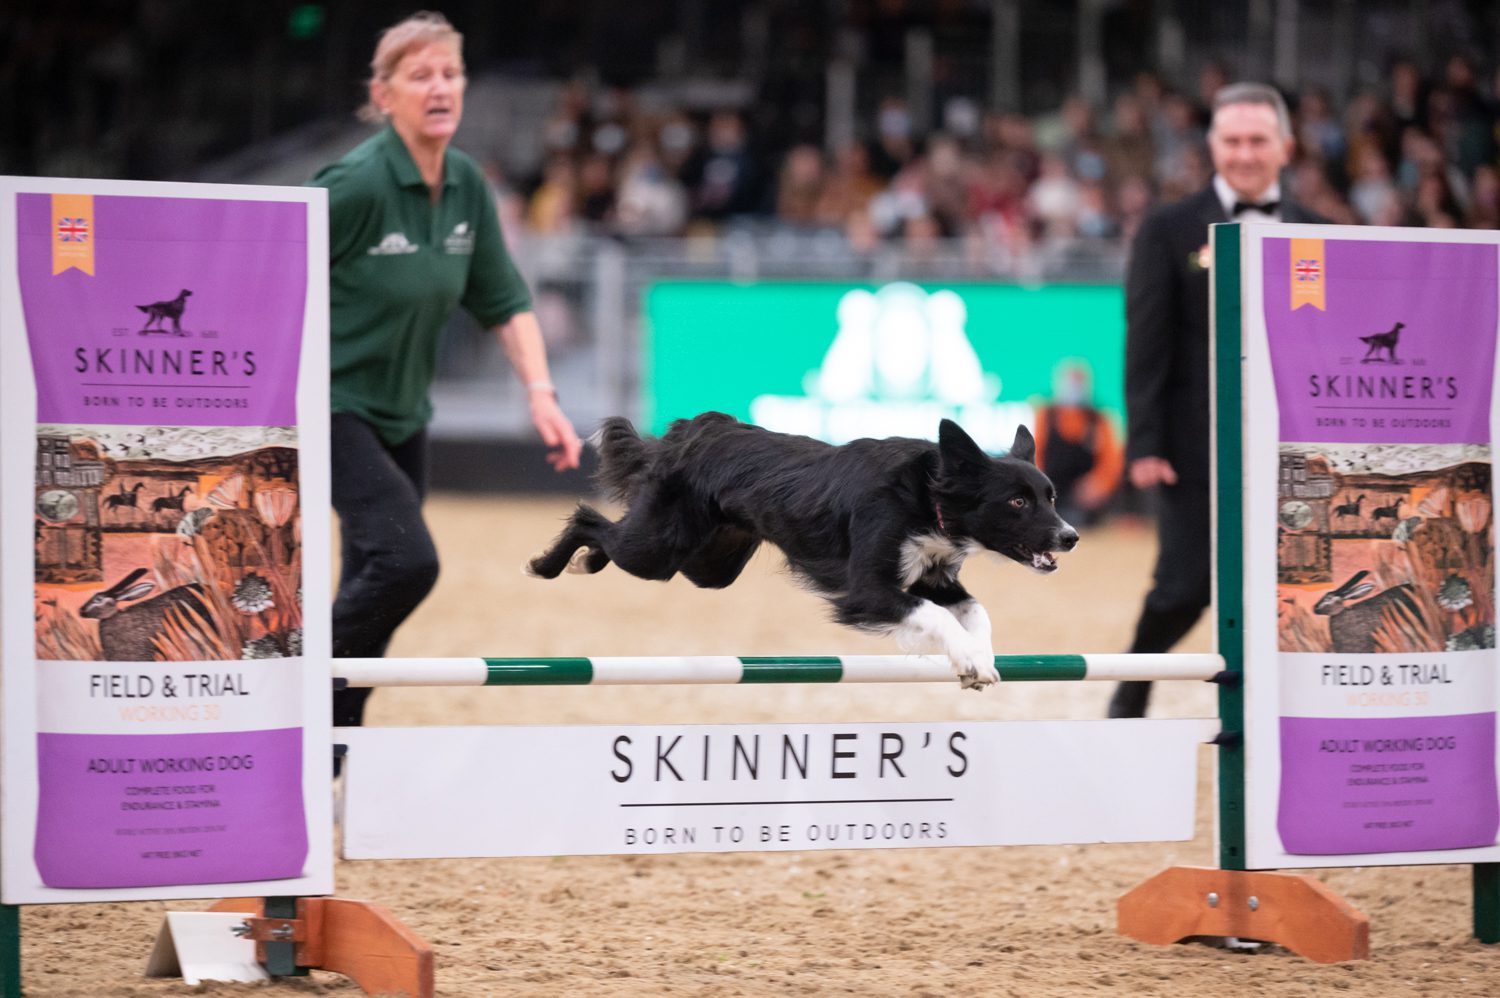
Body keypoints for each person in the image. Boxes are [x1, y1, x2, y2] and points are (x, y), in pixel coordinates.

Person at [311, 12, 582, 736]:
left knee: (372, 577)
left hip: (403, 414)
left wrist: (541, 394)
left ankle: (332, 746)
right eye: (420, 74)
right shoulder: (356, 185)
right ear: (384, 92)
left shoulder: (464, 184)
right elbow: (270, 274)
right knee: (407, 563)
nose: (440, 88)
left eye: (451, 74)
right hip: (328, 407)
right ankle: (294, 694)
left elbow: (504, 298)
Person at [1108, 82, 1327, 719]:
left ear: (1286, 147)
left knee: (1293, 586)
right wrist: (1145, 443)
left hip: (1295, 449)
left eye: (1258, 140)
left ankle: (1280, 714)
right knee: (1182, 587)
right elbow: (1145, 344)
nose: (1245, 153)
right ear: (1212, 147)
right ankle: (1134, 683)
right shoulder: (1167, 228)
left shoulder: (1320, 231)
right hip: (1194, 446)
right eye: (1232, 141)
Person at [1033, 360, 1123, 527]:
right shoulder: (1045, 416)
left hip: (1084, 498)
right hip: (1050, 491)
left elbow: (1112, 462)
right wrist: (1040, 488)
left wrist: (1099, 484)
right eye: (1069, 382)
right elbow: (1033, 457)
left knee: (1077, 519)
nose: (1073, 388)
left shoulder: (1099, 419)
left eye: (1078, 382)